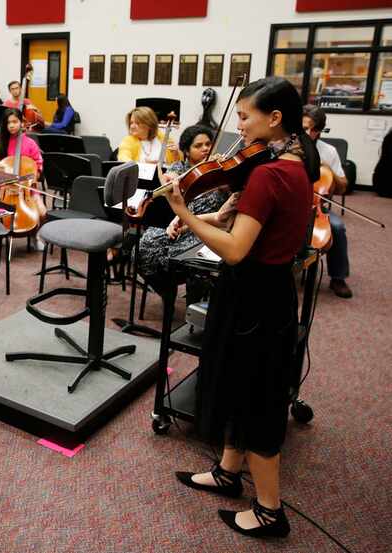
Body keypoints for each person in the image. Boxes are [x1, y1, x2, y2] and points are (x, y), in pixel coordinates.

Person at [168, 77, 318, 538]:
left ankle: (271, 511)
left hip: (253, 296)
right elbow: (253, 221)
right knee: (240, 385)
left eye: (245, 117)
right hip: (269, 293)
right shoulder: (296, 162)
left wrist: (185, 212)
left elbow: (234, 250)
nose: (239, 125)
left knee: (256, 403)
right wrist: (219, 211)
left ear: (275, 119)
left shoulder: (269, 174)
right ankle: (228, 472)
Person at [137, 124, 233, 303]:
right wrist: (172, 179)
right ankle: (167, 291)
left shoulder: (220, 170)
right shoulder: (179, 167)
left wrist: (222, 176)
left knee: (189, 262)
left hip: (207, 228)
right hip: (178, 223)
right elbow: (170, 180)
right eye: (198, 146)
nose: (205, 148)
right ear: (186, 151)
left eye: (208, 144)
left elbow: (231, 199)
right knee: (143, 246)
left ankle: (194, 301)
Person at [302, 104, 353, 299]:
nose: (303, 132)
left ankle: (338, 277)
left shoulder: (328, 152)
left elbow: (343, 186)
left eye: (307, 129)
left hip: (316, 207)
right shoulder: (288, 146)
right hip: (290, 204)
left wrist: (328, 169)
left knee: (338, 228)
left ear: (317, 131)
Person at [0, 108, 45, 249]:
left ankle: (35, 235)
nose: (11, 125)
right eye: (8, 122)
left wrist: (30, 177)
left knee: (42, 212)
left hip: (26, 188)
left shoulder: (30, 144)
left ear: (21, 122)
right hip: (3, 187)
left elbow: (38, 167)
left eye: (15, 121)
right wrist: (2, 166)